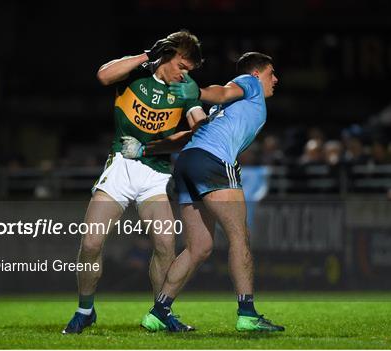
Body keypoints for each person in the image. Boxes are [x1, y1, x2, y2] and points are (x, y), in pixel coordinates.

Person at [123, 52, 284, 332]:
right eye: (272, 73)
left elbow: (191, 135)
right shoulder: (250, 83)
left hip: (188, 162)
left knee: (199, 247)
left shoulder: (224, 112)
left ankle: (159, 313)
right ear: (257, 74)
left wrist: (146, 149)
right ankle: (247, 314)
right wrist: (199, 91)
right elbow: (222, 92)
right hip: (213, 162)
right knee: (239, 236)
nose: (276, 79)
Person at [62, 30, 207, 334]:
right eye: (182, 65)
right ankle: (85, 310)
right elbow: (103, 76)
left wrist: (202, 125)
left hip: (154, 173)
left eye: (189, 70)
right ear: (165, 56)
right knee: (90, 243)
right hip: (121, 167)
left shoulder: (188, 89)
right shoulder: (135, 74)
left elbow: (197, 129)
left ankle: (161, 311)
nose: (185, 74)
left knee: (166, 244)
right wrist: (145, 55)